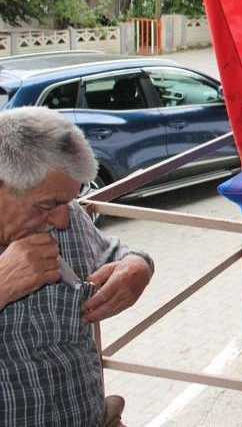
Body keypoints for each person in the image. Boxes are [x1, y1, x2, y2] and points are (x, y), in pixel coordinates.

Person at [0, 107, 155, 427]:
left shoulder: (66, 216)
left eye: (67, 202)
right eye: (48, 205)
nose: (62, 218)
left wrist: (137, 266)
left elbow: (115, 253)